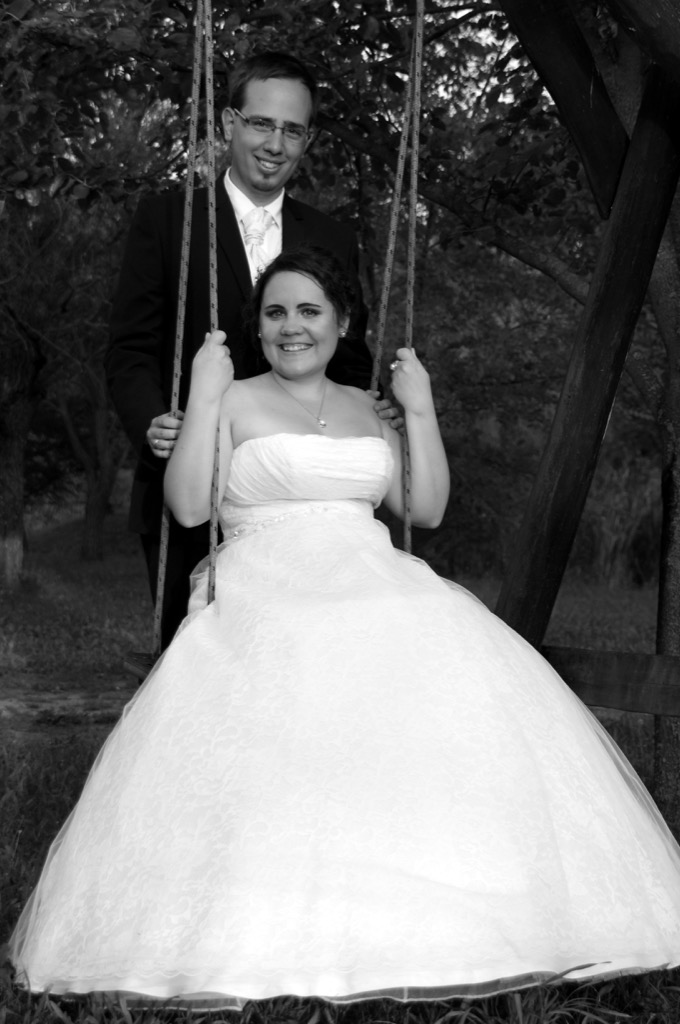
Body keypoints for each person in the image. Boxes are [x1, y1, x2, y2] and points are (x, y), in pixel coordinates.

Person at [9, 245, 680, 1007]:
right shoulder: (231, 398)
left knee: (435, 639)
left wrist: (419, 408)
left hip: (371, 575)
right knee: (307, 649)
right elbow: (191, 508)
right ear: (257, 328)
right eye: (275, 313)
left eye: (309, 311)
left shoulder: (370, 407)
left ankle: (443, 904)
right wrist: (202, 394)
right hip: (270, 579)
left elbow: (424, 509)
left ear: (342, 322)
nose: (291, 327)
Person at [106, 50, 391, 650]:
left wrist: (379, 404)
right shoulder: (169, 220)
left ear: (308, 140)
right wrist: (152, 422)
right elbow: (130, 349)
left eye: (293, 130)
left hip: (299, 493)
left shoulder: (333, 237)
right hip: (193, 480)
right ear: (229, 123)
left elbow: (350, 355)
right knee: (198, 661)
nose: (275, 144)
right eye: (262, 123)